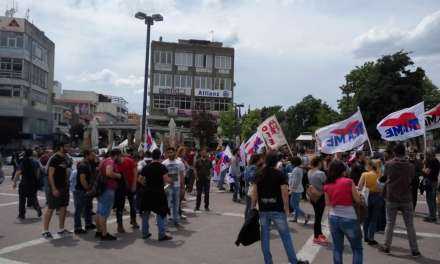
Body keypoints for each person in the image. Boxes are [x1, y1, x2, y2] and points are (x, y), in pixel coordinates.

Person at [251, 152, 308, 264]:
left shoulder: (259, 174)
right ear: (276, 162)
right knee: (285, 236)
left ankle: (268, 261)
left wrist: (253, 207)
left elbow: (254, 192)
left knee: (265, 237)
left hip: (263, 210)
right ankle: (293, 261)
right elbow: (284, 193)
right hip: (277, 209)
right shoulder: (279, 174)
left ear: (266, 161)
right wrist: (286, 208)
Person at [378, 143, 420, 257]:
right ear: (404, 152)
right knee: (410, 225)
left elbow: (384, 177)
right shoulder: (410, 166)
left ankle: (386, 246)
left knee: (390, 223)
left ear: (394, 153)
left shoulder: (389, 164)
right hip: (406, 197)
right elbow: (412, 179)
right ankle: (415, 249)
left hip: (392, 197)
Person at [324, 160, 363, 264]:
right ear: (342, 170)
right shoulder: (348, 182)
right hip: (349, 217)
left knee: (337, 248)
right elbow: (358, 200)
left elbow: (328, 203)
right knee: (357, 248)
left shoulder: (327, 185)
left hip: (333, 217)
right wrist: (360, 195)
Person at [139, 149, 173, 241]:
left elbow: (140, 179)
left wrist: (145, 185)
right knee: (161, 213)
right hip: (159, 193)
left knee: (145, 213)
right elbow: (166, 179)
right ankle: (161, 235)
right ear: (160, 156)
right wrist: (172, 180)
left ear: (152, 156)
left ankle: (145, 233)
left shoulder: (146, 167)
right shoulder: (162, 167)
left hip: (147, 192)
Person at [42, 142, 72, 238]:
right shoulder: (55, 159)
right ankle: (45, 231)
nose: (68, 147)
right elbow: (50, 175)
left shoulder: (64, 158)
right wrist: (54, 188)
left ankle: (61, 229)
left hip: (64, 187)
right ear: (61, 147)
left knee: (63, 207)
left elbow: (66, 171)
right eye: (66, 146)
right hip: (55, 187)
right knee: (50, 208)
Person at [96, 148, 123, 241]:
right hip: (108, 189)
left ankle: (99, 231)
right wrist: (118, 175)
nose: (120, 158)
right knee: (104, 212)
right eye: (120, 156)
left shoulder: (104, 160)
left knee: (99, 212)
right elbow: (108, 173)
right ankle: (104, 234)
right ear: (116, 155)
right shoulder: (110, 162)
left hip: (102, 189)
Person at [358, 159, 383, 245]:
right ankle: (371, 237)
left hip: (367, 197)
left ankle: (365, 237)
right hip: (377, 197)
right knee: (374, 219)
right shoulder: (379, 174)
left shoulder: (365, 174)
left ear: (369, 166)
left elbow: (360, 187)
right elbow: (381, 188)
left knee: (366, 218)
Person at [13, 149, 42, 220]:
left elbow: (18, 172)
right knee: (33, 197)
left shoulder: (23, 161)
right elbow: (38, 173)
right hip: (33, 183)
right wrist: (37, 181)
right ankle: (38, 208)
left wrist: (14, 182)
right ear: (32, 154)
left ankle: (22, 214)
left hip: (24, 183)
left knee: (22, 199)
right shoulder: (36, 162)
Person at [73, 149, 97, 234]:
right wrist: (87, 189)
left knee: (88, 208)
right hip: (81, 190)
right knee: (79, 210)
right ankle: (77, 227)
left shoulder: (89, 164)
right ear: (87, 155)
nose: (94, 156)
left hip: (86, 190)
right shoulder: (83, 165)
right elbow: (82, 179)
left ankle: (88, 224)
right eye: (92, 155)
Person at [115, 150, 139, 233]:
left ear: (119, 155)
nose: (114, 158)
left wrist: (134, 184)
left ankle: (133, 220)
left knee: (133, 205)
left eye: (115, 156)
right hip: (120, 188)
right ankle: (120, 225)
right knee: (120, 207)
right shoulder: (114, 164)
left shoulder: (129, 161)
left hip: (130, 186)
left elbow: (135, 172)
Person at [308, 156, 329, 245]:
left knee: (318, 215)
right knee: (318, 217)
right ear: (319, 163)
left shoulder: (309, 172)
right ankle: (316, 236)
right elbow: (326, 185)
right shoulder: (320, 173)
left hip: (313, 195)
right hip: (320, 196)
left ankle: (319, 233)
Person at [162, 147, 185, 227]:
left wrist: (182, 187)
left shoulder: (180, 163)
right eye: (169, 152)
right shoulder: (164, 163)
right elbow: (162, 176)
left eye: (172, 152)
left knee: (176, 204)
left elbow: (182, 176)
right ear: (166, 153)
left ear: (175, 152)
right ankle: (163, 220)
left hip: (177, 186)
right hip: (167, 187)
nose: (170, 154)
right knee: (167, 205)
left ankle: (176, 220)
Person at [289, 156, 310, 224]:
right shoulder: (299, 169)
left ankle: (305, 215)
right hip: (298, 189)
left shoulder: (296, 169)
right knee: (296, 205)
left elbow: (295, 181)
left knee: (293, 204)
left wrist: (292, 189)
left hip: (296, 190)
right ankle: (295, 218)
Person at [244, 154, 263, 219]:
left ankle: (246, 219)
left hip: (247, 187)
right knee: (253, 206)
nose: (261, 160)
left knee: (248, 206)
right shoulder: (254, 167)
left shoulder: (248, 167)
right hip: (252, 187)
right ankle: (250, 220)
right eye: (260, 158)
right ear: (257, 160)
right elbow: (253, 177)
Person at [422, 152, 440, 222]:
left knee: (430, 200)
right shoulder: (437, 161)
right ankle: (433, 215)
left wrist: (423, 166)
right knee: (433, 199)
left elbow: (427, 172)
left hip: (430, 182)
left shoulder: (431, 162)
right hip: (434, 181)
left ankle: (432, 216)